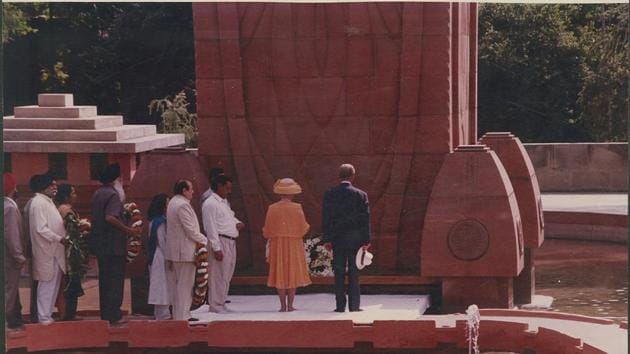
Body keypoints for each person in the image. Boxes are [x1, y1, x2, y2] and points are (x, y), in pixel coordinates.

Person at [91, 163, 140, 325]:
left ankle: (106, 314)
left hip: (101, 245)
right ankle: (114, 315)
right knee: (115, 281)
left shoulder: (98, 193)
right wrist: (128, 230)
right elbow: (110, 217)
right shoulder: (113, 195)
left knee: (105, 280)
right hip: (113, 245)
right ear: (116, 180)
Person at [322, 164, 370, 312]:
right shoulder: (361, 195)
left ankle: (339, 306)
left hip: (337, 239)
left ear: (339, 176)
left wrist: (327, 239)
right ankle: (355, 306)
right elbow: (365, 219)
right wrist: (366, 241)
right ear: (353, 176)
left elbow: (327, 218)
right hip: (355, 239)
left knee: (339, 273)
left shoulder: (330, 194)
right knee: (354, 273)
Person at [263, 178, 312, 312]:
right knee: (292, 272)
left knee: (280, 272)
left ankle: (282, 306)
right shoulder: (297, 208)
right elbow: (303, 227)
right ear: (292, 193)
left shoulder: (272, 208)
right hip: (293, 244)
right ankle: (290, 306)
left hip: (277, 244)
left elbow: (267, 230)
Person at [164, 180, 208, 321]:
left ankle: (180, 315)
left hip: (176, 251)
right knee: (184, 286)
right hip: (184, 251)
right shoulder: (182, 205)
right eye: (191, 189)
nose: (193, 191)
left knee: (179, 286)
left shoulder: (172, 202)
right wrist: (204, 240)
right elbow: (190, 230)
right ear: (184, 190)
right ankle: (182, 316)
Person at [28, 173, 67, 325]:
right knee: (46, 284)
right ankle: (43, 317)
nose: (55, 187)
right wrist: (60, 238)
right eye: (52, 184)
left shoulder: (48, 202)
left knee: (53, 285)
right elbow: (41, 229)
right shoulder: (38, 203)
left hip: (55, 251)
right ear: (43, 187)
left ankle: (47, 315)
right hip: (46, 251)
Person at [202, 174, 244, 313]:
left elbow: (230, 216)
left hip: (231, 240)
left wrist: (237, 223)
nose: (229, 191)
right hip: (220, 240)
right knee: (218, 275)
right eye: (227, 188)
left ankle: (221, 301)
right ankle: (215, 305)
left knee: (226, 274)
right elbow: (210, 227)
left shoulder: (223, 202)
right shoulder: (210, 203)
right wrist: (216, 248)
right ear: (219, 186)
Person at [55, 184, 88, 321]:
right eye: (73, 193)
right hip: (70, 252)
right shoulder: (66, 210)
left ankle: (69, 312)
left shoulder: (61, 209)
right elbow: (72, 231)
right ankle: (69, 314)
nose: (75, 196)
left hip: (68, 250)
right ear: (66, 196)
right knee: (71, 282)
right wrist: (84, 227)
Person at [4, 173, 27, 329]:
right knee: (9, 291)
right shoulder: (10, 207)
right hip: (9, 258)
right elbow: (12, 234)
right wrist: (19, 256)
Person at [147, 193, 172, 320]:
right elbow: (163, 242)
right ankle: (163, 314)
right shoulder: (160, 222)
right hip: (160, 256)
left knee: (158, 285)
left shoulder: (153, 221)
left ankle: (160, 313)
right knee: (162, 285)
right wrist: (170, 257)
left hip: (155, 255)